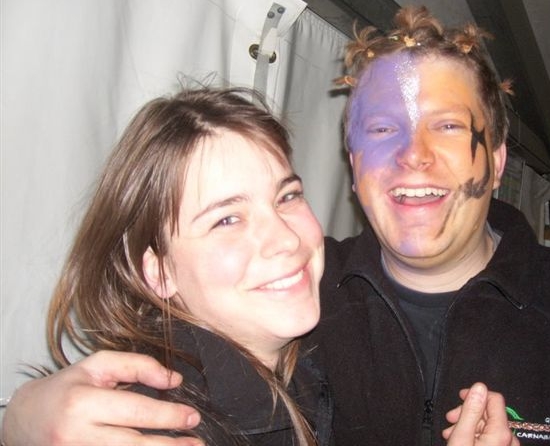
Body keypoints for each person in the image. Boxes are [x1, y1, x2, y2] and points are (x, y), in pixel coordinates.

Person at [6, 3, 550, 444]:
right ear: (354, 164)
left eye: (447, 126)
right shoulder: (297, 297)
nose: (413, 155)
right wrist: (19, 419)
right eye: (382, 129)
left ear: (497, 161)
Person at [2, 83, 514, 446]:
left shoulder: (299, 358)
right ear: (158, 272)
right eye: (227, 219)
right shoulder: (158, 425)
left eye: (287, 197)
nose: (286, 240)